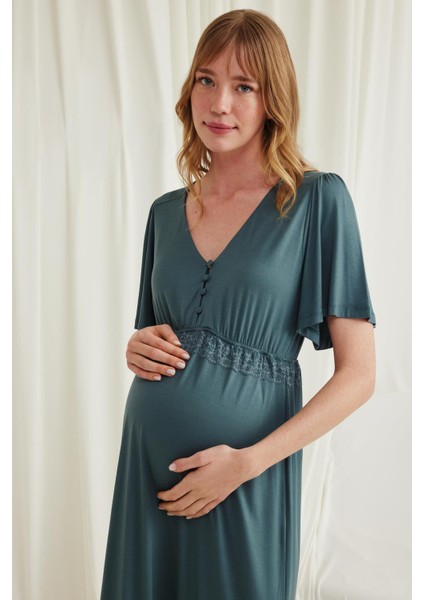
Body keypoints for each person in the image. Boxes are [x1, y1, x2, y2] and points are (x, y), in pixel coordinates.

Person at [100, 9, 376, 600]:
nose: (219, 103)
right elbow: (158, 338)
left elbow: (359, 376)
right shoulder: (164, 213)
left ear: (272, 99)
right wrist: (136, 346)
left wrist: (247, 464)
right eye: (207, 79)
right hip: (147, 473)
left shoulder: (315, 201)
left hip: (244, 476)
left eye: (243, 86)